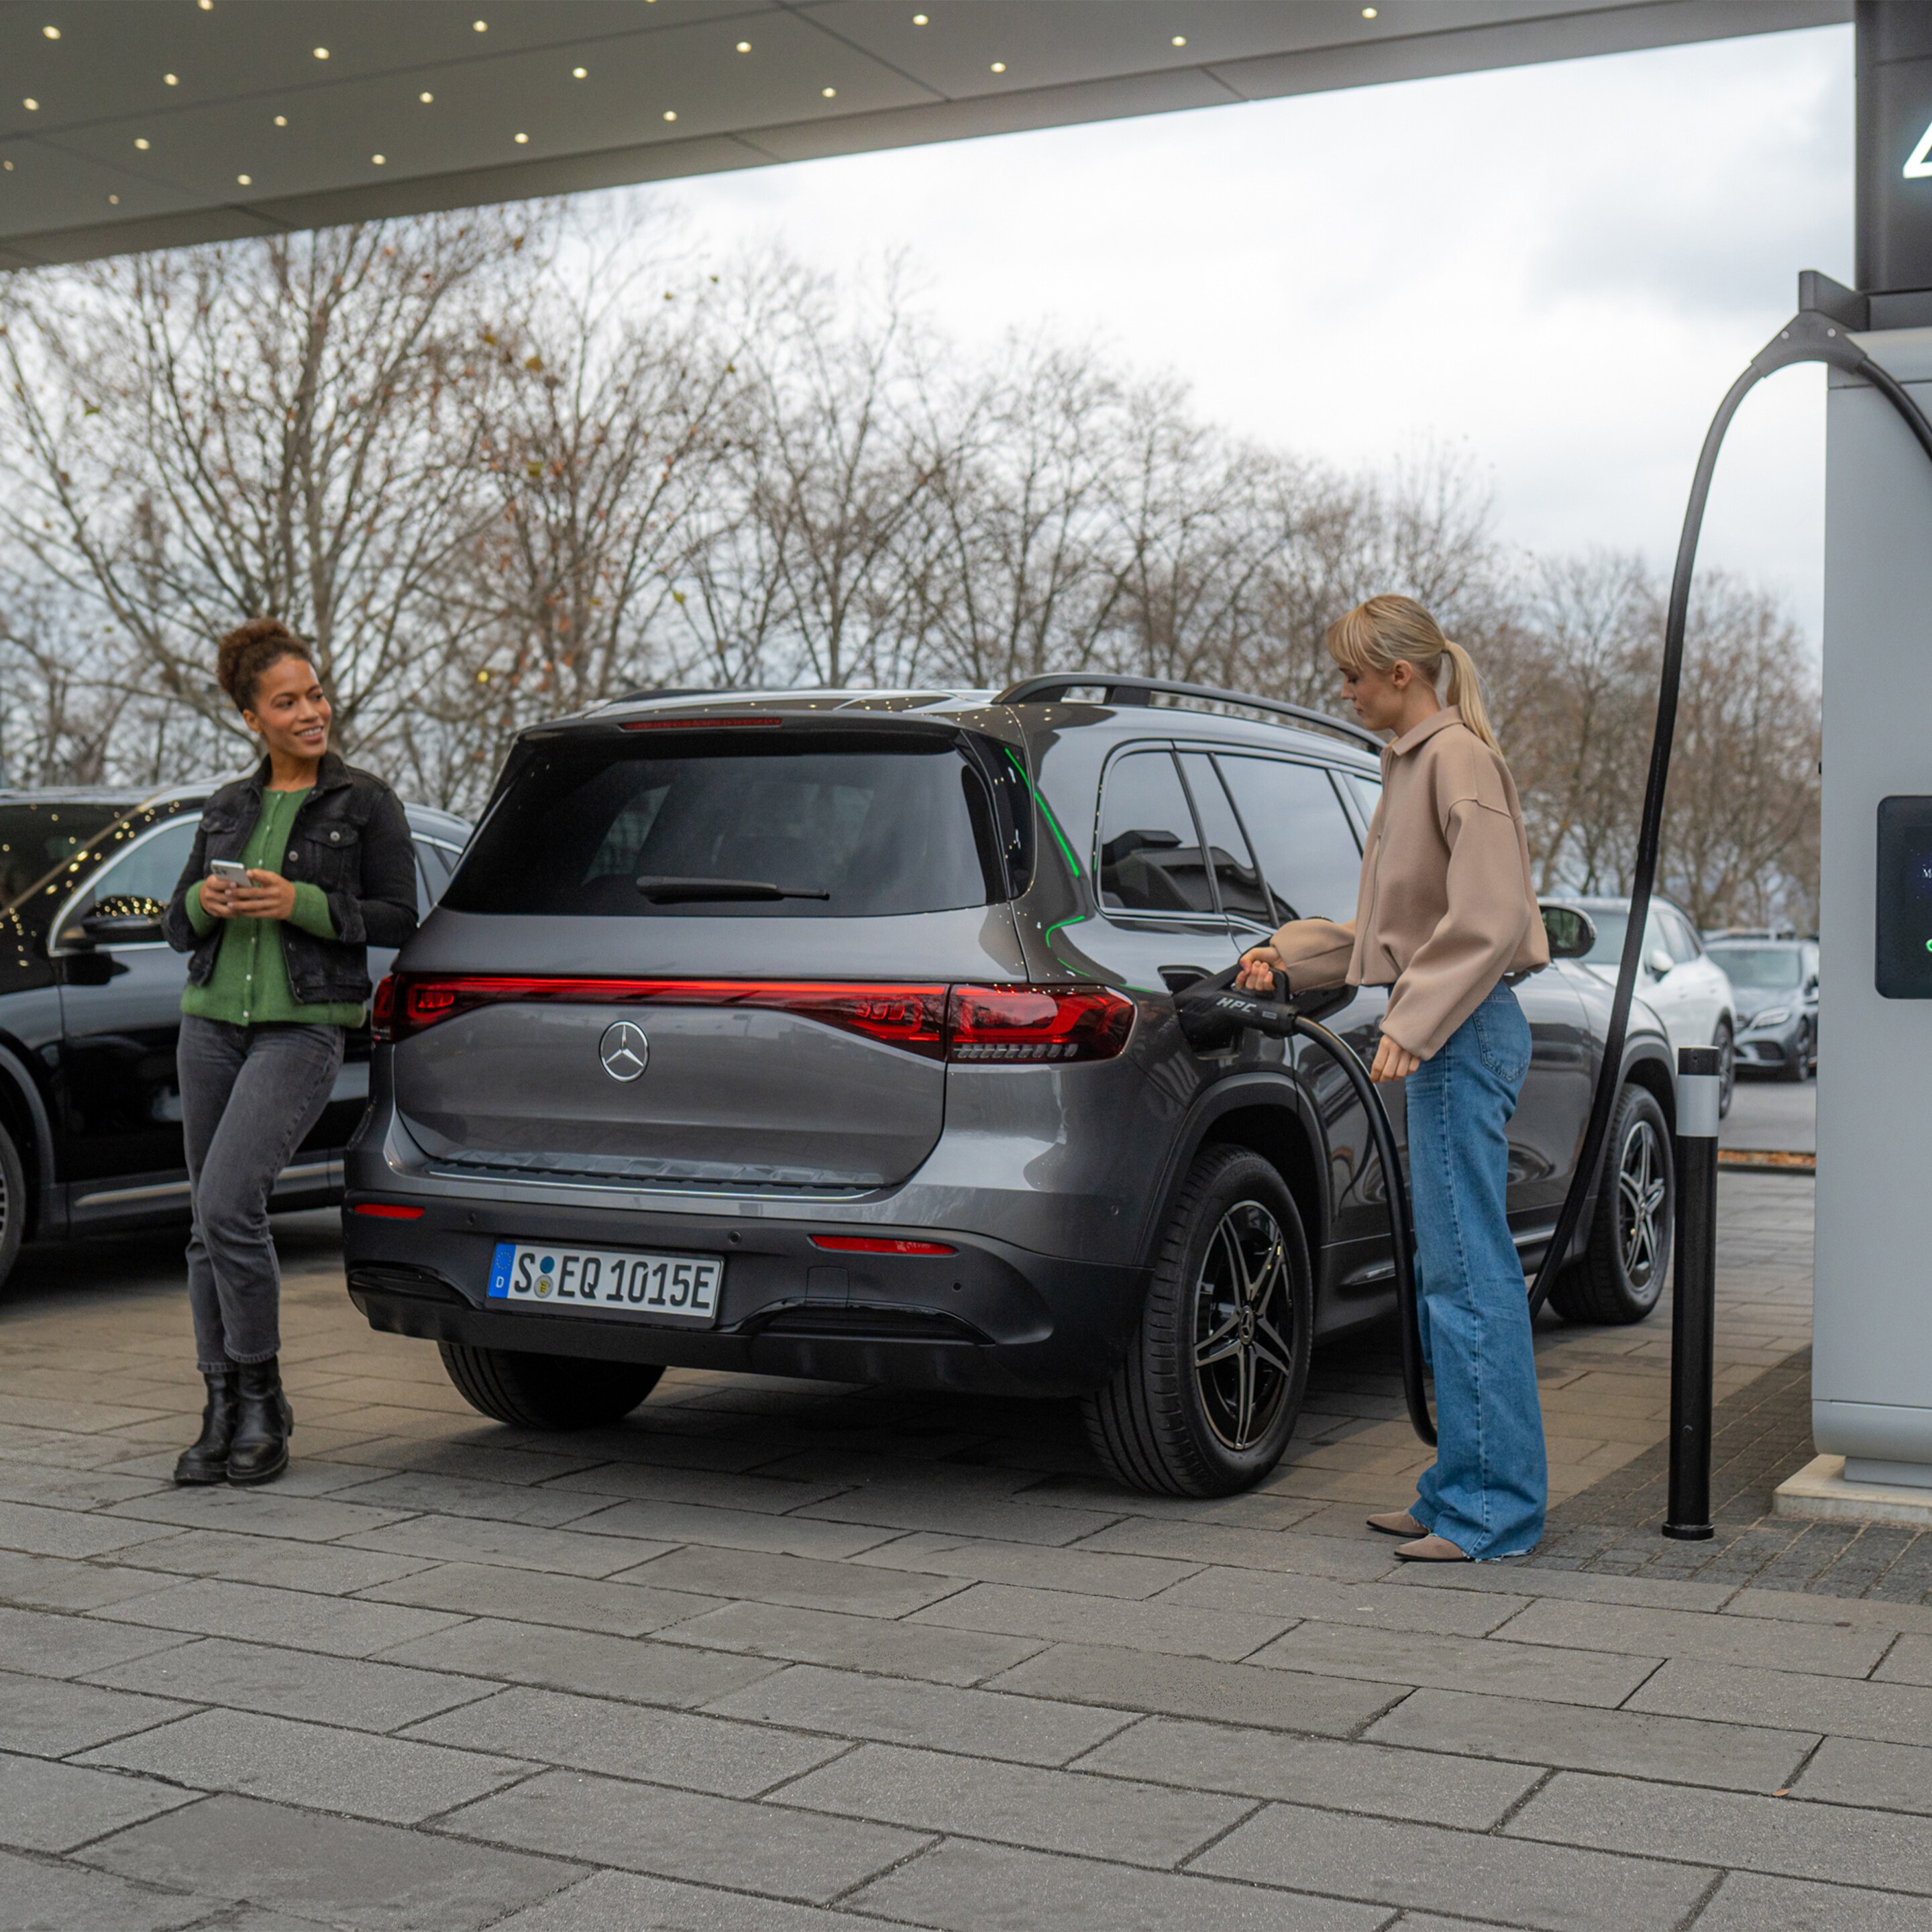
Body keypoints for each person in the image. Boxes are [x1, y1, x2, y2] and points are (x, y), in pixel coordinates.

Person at [1237, 594, 1550, 1561]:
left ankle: (1493, 1510)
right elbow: (1396, 932)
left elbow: (1488, 917)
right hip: (1452, 1032)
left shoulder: (1455, 761)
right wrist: (1292, 962)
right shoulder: (1411, 766)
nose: (1345, 691)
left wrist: (1413, 1023)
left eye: (1354, 677)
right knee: (1449, 1274)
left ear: (1402, 676)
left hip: (1463, 1033)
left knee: (1469, 1277)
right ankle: (1462, 1484)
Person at [164, 619, 418, 1486]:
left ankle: (265, 1399)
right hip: (209, 1026)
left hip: (301, 1026)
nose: (312, 711)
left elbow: (397, 917)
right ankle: (221, 1405)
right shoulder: (229, 806)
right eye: (288, 702)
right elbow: (173, 924)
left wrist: (299, 902)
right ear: (250, 718)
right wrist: (206, 899)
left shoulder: (365, 802)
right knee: (206, 1225)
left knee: (231, 1204)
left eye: (315, 694)